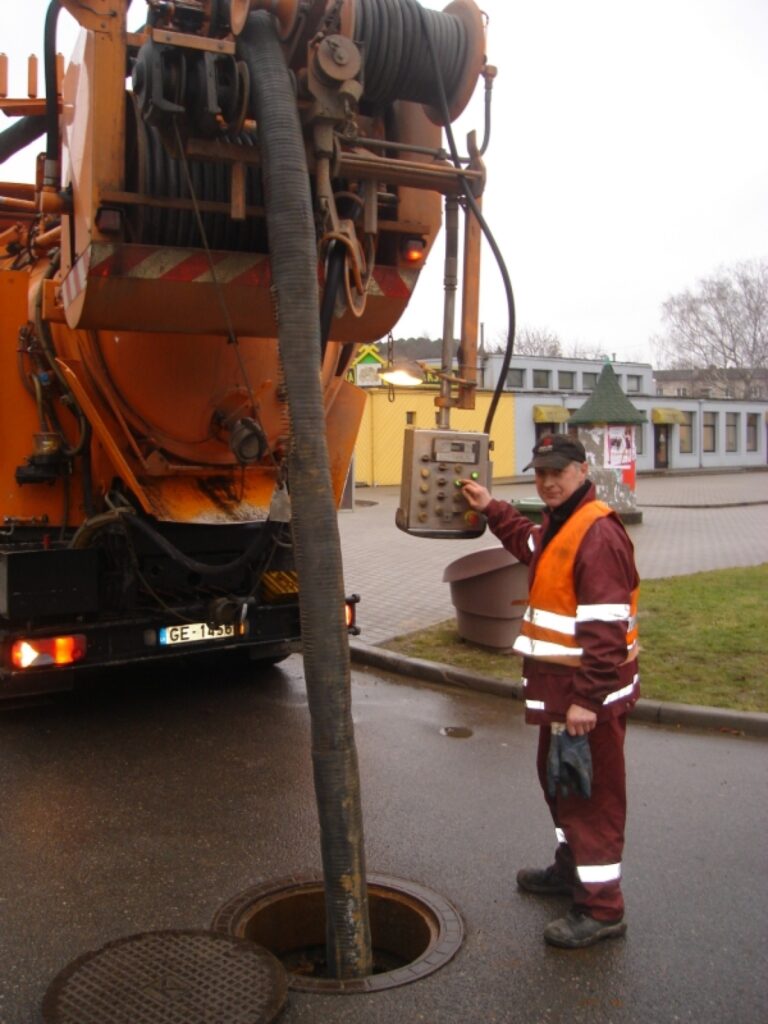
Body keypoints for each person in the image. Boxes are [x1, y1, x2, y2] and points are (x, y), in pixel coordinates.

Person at [461, 432, 639, 949]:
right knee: (560, 785)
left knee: (591, 798)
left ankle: (603, 909)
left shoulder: (598, 534)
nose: (547, 481)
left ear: (583, 472)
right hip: (564, 697)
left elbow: (606, 630)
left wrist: (587, 700)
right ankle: (572, 870)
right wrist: (492, 507)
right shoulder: (562, 524)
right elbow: (531, 544)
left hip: (586, 700)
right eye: (540, 473)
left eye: (557, 472)